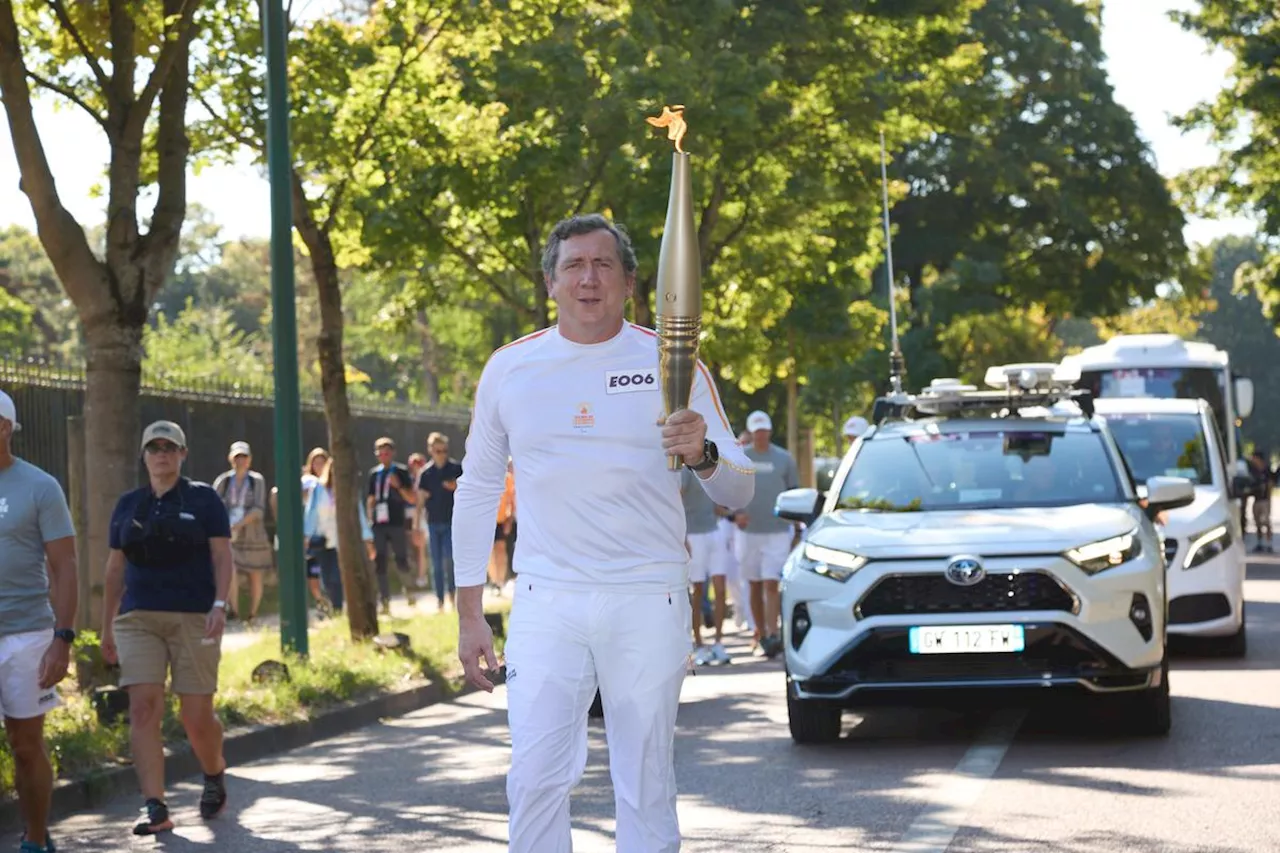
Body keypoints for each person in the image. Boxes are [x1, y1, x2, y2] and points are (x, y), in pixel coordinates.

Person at [453, 213, 754, 853]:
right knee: (534, 775)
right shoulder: (510, 369)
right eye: (574, 266)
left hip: (649, 595)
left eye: (603, 265)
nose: (589, 279)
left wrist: (703, 454)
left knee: (645, 780)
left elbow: (739, 487)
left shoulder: (674, 364)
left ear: (630, 283)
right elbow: (477, 488)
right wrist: (469, 610)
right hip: (546, 597)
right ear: (550, 283)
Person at [101, 421, 234, 837]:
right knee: (143, 706)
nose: (162, 454)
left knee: (196, 716)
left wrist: (219, 604)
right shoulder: (128, 504)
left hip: (194, 615)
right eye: (154, 447)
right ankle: (154, 806)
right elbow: (114, 568)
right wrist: (106, 626)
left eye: (170, 447)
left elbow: (222, 556)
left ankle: (213, 772)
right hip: (138, 617)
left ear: (182, 454)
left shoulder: (204, 499)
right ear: (144, 456)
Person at [0, 389, 78, 853]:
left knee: (26, 746)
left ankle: (33, 839)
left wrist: (62, 639)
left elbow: (65, 565)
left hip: (27, 634)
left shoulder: (40, 486)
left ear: (4, 427)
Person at [731, 410, 798, 658]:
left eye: (764, 430)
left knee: (772, 582)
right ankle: (760, 632)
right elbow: (730, 491)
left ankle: (772, 634)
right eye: (756, 430)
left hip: (777, 530)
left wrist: (796, 527)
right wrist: (736, 513)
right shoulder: (740, 458)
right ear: (751, 432)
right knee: (754, 584)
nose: (761, 435)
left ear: (769, 431)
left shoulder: (784, 459)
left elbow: (793, 491)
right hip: (749, 532)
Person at [211, 442, 272, 622]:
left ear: (249, 459)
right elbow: (215, 504)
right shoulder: (224, 480)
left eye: (244, 457)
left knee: (255, 573)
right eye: (237, 457)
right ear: (231, 459)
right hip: (229, 534)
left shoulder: (256, 480)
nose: (241, 461)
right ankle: (235, 611)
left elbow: (259, 509)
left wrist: (239, 524)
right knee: (231, 570)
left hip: (252, 534)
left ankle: (252, 614)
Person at [682, 467, 730, 666]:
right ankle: (699, 645)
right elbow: (677, 502)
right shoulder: (684, 471)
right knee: (698, 590)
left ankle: (719, 642)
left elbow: (719, 505)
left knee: (720, 589)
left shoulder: (711, 467)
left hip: (714, 532)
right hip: (694, 536)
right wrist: (682, 536)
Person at [366, 437, 418, 614]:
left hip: (396, 521)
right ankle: (385, 600)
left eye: (386, 452)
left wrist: (399, 486)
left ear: (393, 453)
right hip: (378, 523)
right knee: (380, 561)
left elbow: (412, 498)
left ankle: (409, 591)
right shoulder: (374, 474)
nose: (383, 456)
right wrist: (368, 519)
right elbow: (371, 498)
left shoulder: (401, 471)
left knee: (401, 558)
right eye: (379, 453)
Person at [416, 432, 463, 612]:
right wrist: (416, 526)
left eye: (444, 450)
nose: (441, 454)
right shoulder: (426, 473)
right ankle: (440, 600)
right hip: (433, 522)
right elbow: (419, 501)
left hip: (453, 521)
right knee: (435, 562)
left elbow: (469, 491)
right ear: (430, 451)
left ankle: (452, 595)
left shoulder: (456, 469)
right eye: (437, 450)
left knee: (450, 560)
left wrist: (456, 487)